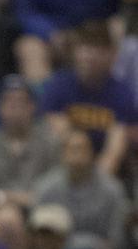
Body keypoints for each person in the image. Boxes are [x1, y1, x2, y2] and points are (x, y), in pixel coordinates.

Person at [38, 21, 136, 176]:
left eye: (97, 49)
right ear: (75, 52)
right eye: (84, 48)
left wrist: (96, 180)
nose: (89, 55)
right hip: (64, 165)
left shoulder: (121, 92)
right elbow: (59, 132)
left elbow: (115, 147)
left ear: (111, 54)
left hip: (106, 173)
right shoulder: (59, 84)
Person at [33, 128, 129, 249]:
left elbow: (117, 240)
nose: (76, 155)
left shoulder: (112, 190)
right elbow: (38, 236)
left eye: (81, 149)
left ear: (92, 154)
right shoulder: (46, 188)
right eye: (71, 149)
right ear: (62, 154)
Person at [0, 75, 60, 210]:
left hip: (40, 210)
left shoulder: (49, 142)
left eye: (21, 102)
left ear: (32, 107)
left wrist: (8, 196)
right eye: (9, 101)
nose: (15, 107)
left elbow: (54, 187)